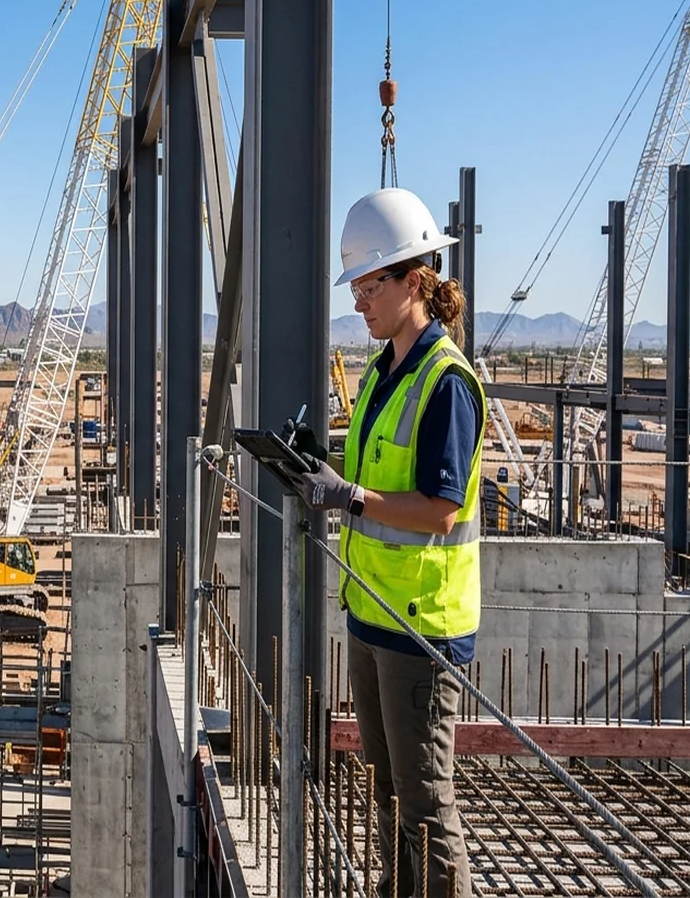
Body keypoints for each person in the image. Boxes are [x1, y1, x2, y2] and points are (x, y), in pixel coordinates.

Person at [292, 187, 482, 897]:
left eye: (370, 285)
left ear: (415, 281)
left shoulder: (446, 382)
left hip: (420, 628)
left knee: (427, 804)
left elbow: (438, 508)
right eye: (358, 287)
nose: (360, 300)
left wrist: (354, 497)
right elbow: (374, 479)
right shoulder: (380, 373)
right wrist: (323, 470)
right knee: (387, 792)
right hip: (373, 614)